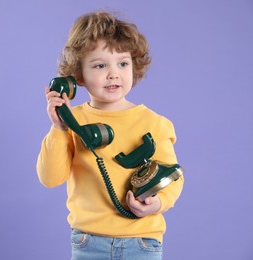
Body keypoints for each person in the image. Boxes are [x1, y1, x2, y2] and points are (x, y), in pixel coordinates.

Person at [36, 11, 184, 260]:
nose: (113, 73)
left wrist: (158, 203)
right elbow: (50, 178)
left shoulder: (155, 123)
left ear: (134, 67)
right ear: (77, 76)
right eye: (100, 65)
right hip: (89, 241)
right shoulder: (74, 121)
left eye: (123, 63)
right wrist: (60, 127)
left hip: (143, 241)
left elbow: (173, 175)